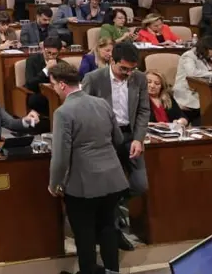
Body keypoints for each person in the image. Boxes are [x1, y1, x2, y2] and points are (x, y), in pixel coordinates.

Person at [46, 61, 129, 274]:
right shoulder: (102, 103)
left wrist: (54, 184)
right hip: (112, 179)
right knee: (108, 228)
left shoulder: (63, 112)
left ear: (62, 85)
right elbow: (118, 139)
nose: (54, 88)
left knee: (85, 235)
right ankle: (113, 272)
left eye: (54, 84)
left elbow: (61, 157)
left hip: (84, 184)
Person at [81, 42, 149, 250]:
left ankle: (114, 211)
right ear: (112, 60)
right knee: (108, 188)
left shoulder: (139, 79)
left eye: (132, 69)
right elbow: (82, 109)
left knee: (140, 184)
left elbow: (143, 111)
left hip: (129, 136)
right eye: (123, 69)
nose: (128, 73)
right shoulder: (94, 79)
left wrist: (138, 138)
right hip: (104, 138)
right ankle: (114, 232)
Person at [172, 35, 212, 124]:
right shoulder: (188, 56)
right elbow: (192, 73)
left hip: (200, 90)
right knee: (210, 106)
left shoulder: (202, 56)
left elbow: (204, 73)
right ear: (206, 47)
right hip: (187, 91)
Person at [23, 36, 66, 116]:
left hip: (56, 93)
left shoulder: (61, 63)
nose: (51, 56)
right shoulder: (32, 60)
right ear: (43, 49)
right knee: (37, 100)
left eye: (54, 54)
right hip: (38, 93)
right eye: (48, 53)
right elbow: (30, 84)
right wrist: (46, 69)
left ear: (59, 52)